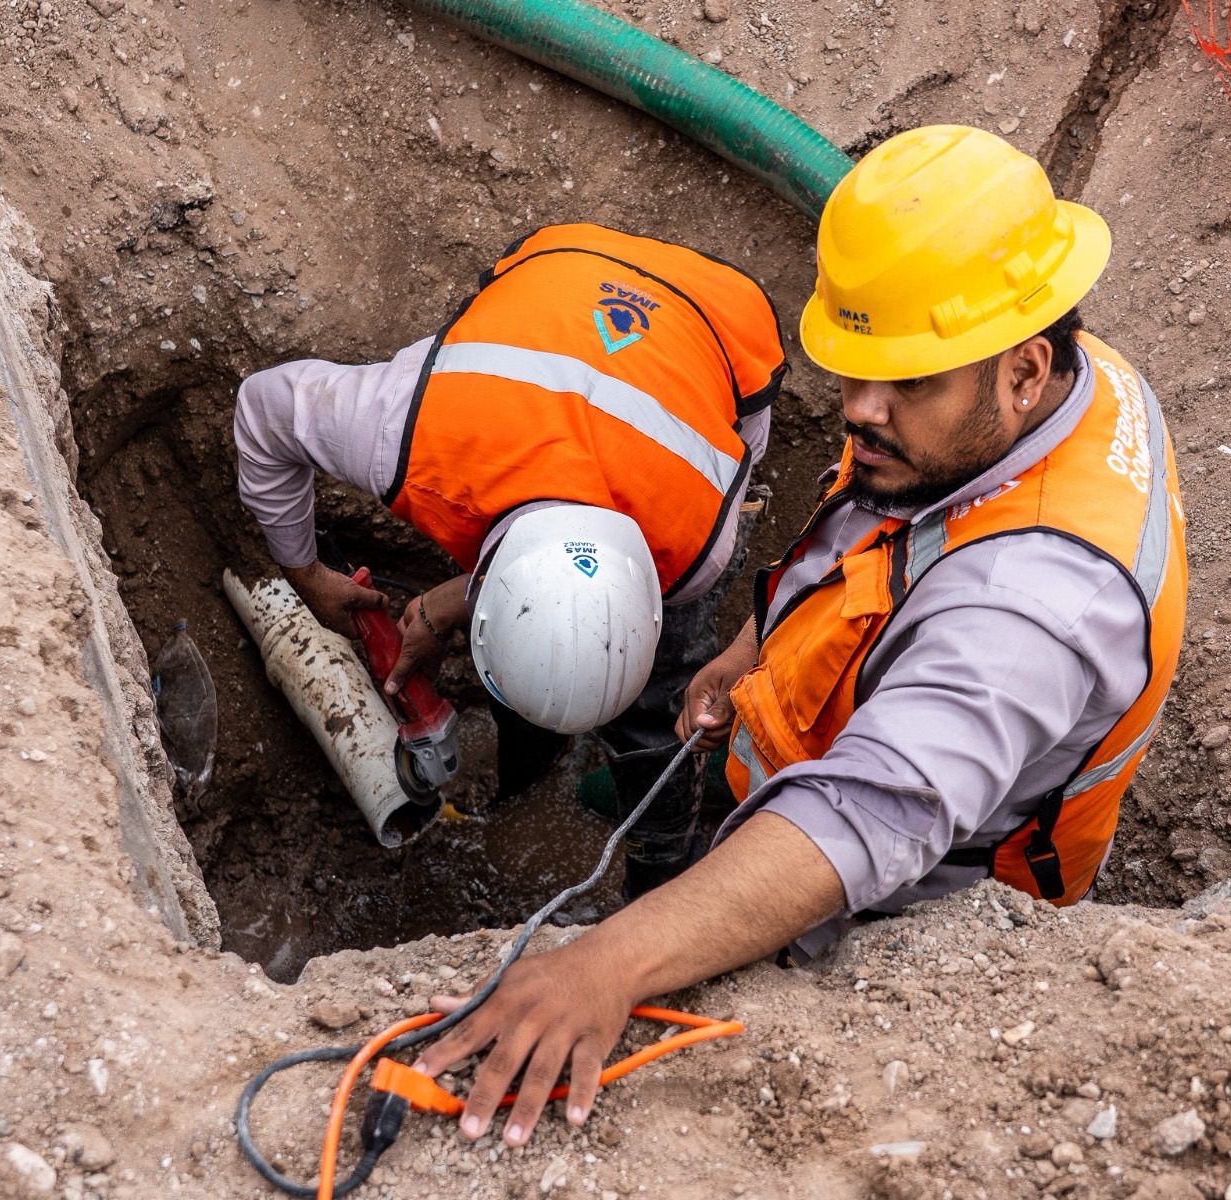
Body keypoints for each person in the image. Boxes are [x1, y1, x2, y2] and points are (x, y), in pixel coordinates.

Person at [410, 126, 1188, 1147]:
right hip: (839, 727)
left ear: (1023, 372)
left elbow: (864, 820)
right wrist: (746, 652)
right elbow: (867, 543)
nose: (859, 412)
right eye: (856, 369)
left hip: (910, 907)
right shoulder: (1010, 403)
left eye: (906, 384)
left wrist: (604, 962)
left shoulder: (1031, 607)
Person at [234, 223, 785, 896]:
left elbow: (586, 579)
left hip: (725, 315)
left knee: (658, 713)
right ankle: (536, 771)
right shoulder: (405, 429)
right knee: (579, 660)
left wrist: (447, 604)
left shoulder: (699, 541)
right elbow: (262, 409)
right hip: (556, 262)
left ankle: (664, 878)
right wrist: (305, 574)